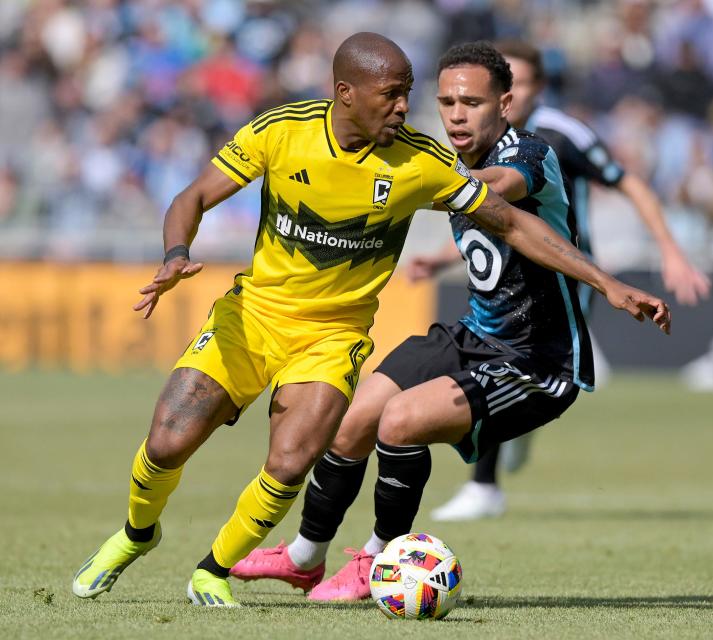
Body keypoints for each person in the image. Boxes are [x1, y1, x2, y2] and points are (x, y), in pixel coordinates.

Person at [70, 33, 669, 607]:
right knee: (173, 440)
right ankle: (166, 538)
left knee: (322, 449)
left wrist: (608, 284)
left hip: (382, 340)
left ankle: (245, 567)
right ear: (345, 93)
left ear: (505, 103)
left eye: (418, 94)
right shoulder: (284, 132)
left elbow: (507, 212)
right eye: (402, 96)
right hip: (258, 317)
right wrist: (176, 255)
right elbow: (193, 196)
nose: (413, 109)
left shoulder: (441, 161)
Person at [429, 40, 711, 522]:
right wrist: (437, 260)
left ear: (530, 89)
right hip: (511, 272)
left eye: (517, 85)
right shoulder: (476, 139)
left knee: (510, 355)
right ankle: (492, 470)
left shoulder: (560, 135)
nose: (508, 98)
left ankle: (485, 481)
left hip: (564, 272)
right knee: (494, 354)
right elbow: (485, 220)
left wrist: (669, 248)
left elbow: (628, 182)